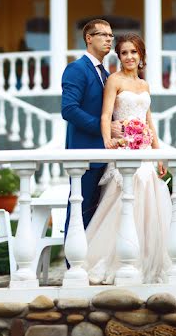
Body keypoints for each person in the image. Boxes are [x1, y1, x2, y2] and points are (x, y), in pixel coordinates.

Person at [83, 33, 171, 284]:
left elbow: (148, 121)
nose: (129, 57)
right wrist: (108, 141)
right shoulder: (114, 80)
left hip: (143, 150)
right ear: (119, 56)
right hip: (122, 148)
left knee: (149, 192)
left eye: (134, 52)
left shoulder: (144, 85)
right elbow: (106, 115)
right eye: (124, 53)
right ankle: (116, 259)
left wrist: (158, 153)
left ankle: (144, 259)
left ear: (141, 55)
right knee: (131, 191)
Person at [61, 19, 123, 242]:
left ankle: (90, 262)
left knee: (98, 215)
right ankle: (73, 267)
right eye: (103, 35)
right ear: (89, 38)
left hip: (105, 154)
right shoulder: (77, 69)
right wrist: (104, 127)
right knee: (80, 210)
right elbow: (69, 110)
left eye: (111, 35)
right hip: (84, 154)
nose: (109, 39)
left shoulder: (105, 74)